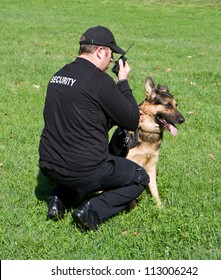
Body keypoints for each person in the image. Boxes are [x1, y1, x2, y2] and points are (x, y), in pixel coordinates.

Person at [38, 25, 149, 231]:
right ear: (100, 52)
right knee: (139, 177)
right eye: (111, 56)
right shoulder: (100, 81)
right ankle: (91, 211)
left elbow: (84, 117)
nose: (111, 62)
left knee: (77, 167)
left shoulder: (58, 75)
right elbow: (132, 120)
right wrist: (122, 81)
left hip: (49, 164)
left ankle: (58, 199)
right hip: (82, 169)